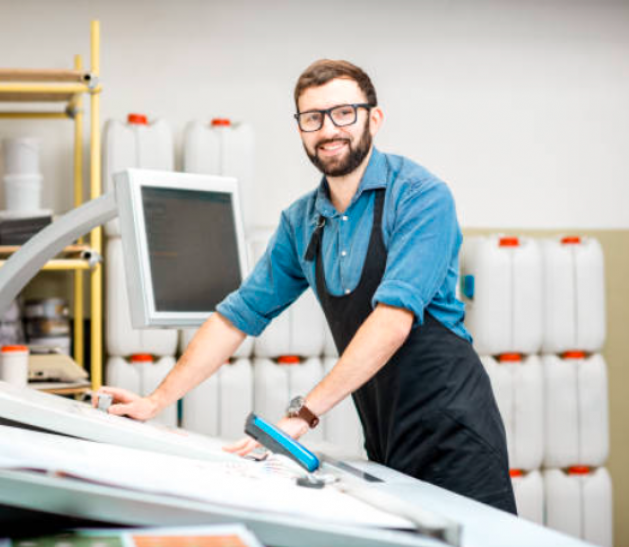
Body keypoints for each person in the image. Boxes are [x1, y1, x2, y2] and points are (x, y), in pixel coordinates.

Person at [99, 59, 517, 513]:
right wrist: (157, 400)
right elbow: (237, 315)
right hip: (383, 428)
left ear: (373, 118)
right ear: (300, 129)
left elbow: (392, 322)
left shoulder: (419, 197)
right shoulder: (302, 220)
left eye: (343, 113)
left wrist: (302, 415)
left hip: (453, 428)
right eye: (312, 118)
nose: (328, 130)